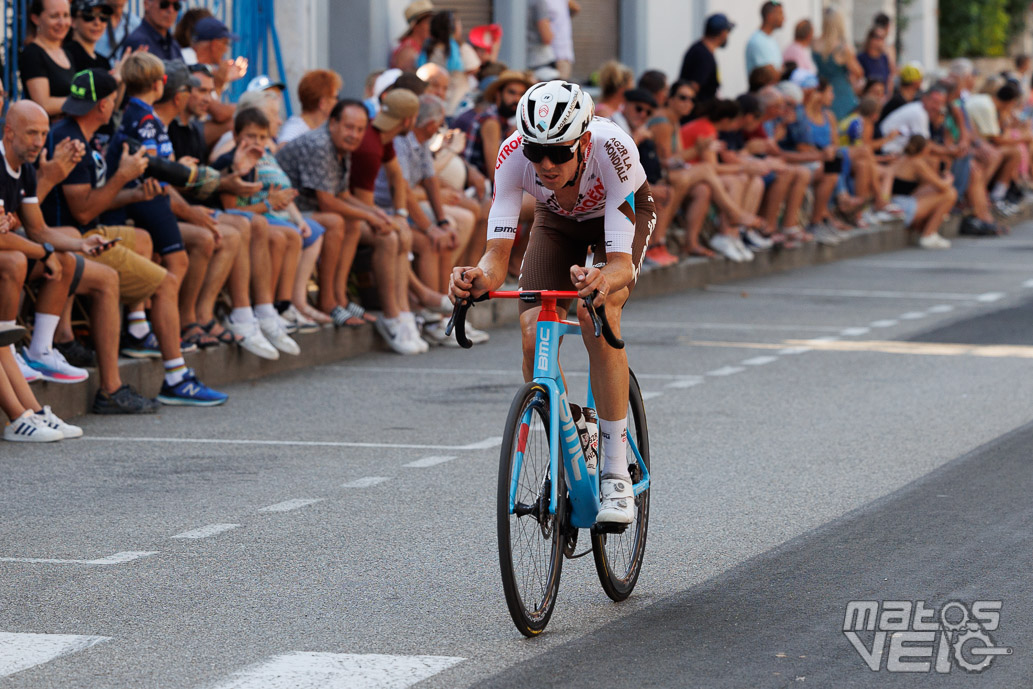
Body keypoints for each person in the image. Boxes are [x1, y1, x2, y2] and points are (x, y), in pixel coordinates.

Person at [451, 80, 655, 524]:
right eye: (535, 153)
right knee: (530, 335)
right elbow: (496, 257)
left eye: (559, 153)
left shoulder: (613, 149)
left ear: (582, 142)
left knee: (594, 312)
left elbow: (619, 263)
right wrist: (475, 278)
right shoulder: (511, 156)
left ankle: (616, 470)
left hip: (618, 219)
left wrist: (602, 278)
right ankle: (573, 428)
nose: (545, 164)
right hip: (557, 220)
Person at [39, 69, 189, 412]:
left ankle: (135, 331)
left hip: (82, 233)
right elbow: (81, 211)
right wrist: (122, 175)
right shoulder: (72, 141)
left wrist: (133, 192)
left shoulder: (79, 132)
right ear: (105, 105)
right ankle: (166, 379)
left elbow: (95, 198)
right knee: (165, 283)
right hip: (72, 239)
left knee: (142, 239)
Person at [889, 135, 955, 249]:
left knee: (932, 190)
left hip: (896, 202)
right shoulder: (917, 163)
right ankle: (928, 234)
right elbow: (942, 186)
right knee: (950, 193)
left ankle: (927, 231)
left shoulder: (903, 158)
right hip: (903, 207)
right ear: (924, 149)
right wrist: (949, 178)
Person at [21, 0, 74, 118]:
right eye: (54, 16)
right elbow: (43, 104)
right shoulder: (33, 54)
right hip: (47, 133)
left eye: (66, 15)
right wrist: (82, 102)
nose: (62, 22)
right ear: (35, 19)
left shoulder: (67, 53)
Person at [812, 7, 862, 121]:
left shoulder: (814, 43)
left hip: (822, 90)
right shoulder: (842, 49)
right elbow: (859, 72)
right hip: (842, 93)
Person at [679, 13, 733, 107]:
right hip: (696, 117)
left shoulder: (701, 50)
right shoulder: (704, 56)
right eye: (728, 32)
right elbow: (693, 87)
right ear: (723, 33)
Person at [279, 70, 344, 145]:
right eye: (336, 97)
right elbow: (282, 150)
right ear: (322, 103)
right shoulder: (295, 128)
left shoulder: (322, 128)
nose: (337, 102)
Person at [392, 0, 435, 72]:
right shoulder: (408, 52)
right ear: (415, 25)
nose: (432, 26)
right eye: (428, 22)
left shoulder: (420, 47)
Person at [745, 1, 784, 78]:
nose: (783, 18)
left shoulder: (771, 40)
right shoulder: (757, 41)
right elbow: (769, 76)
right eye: (780, 13)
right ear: (770, 16)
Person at [857, 26, 894, 95]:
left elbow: (890, 76)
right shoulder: (861, 58)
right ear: (871, 39)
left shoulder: (884, 58)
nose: (882, 41)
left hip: (883, 98)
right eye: (879, 37)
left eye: (884, 38)